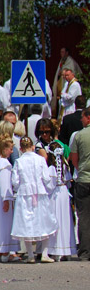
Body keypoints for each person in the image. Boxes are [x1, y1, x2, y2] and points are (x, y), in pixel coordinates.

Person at [12, 137, 57, 263]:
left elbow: (15, 182)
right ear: (32, 147)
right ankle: (44, 254)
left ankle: (31, 255)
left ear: (21, 148)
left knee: (27, 222)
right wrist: (49, 189)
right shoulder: (40, 159)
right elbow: (46, 178)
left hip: (25, 194)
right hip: (39, 192)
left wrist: (20, 187)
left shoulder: (19, 161)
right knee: (44, 221)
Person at [45, 144, 76, 261]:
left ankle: (56, 250)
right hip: (63, 192)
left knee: (56, 219)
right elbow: (68, 181)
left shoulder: (51, 168)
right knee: (65, 220)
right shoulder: (64, 165)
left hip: (55, 195)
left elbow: (51, 185)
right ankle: (66, 250)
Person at [70, 107, 90, 260]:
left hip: (83, 179)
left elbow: (74, 159)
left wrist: (81, 169)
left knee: (83, 217)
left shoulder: (79, 135)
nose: (81, 120)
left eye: (82, 117)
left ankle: (84, 251)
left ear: (88, 117)